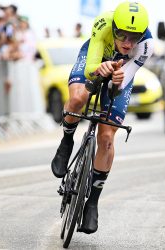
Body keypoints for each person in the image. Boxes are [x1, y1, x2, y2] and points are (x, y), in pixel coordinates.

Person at [51, 1, 153, 234]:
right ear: (114, 27)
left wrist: (115, 80)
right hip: (95, 58)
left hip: (121, 72)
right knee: (78, 100)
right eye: (121, 35)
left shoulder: (146, 46)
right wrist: (100, 69)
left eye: (133, 38)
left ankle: (93, 202)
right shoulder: (103, 24)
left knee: (106, 137)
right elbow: (90, 71)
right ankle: (66, 142)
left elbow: (119, 86)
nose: (127, 43)